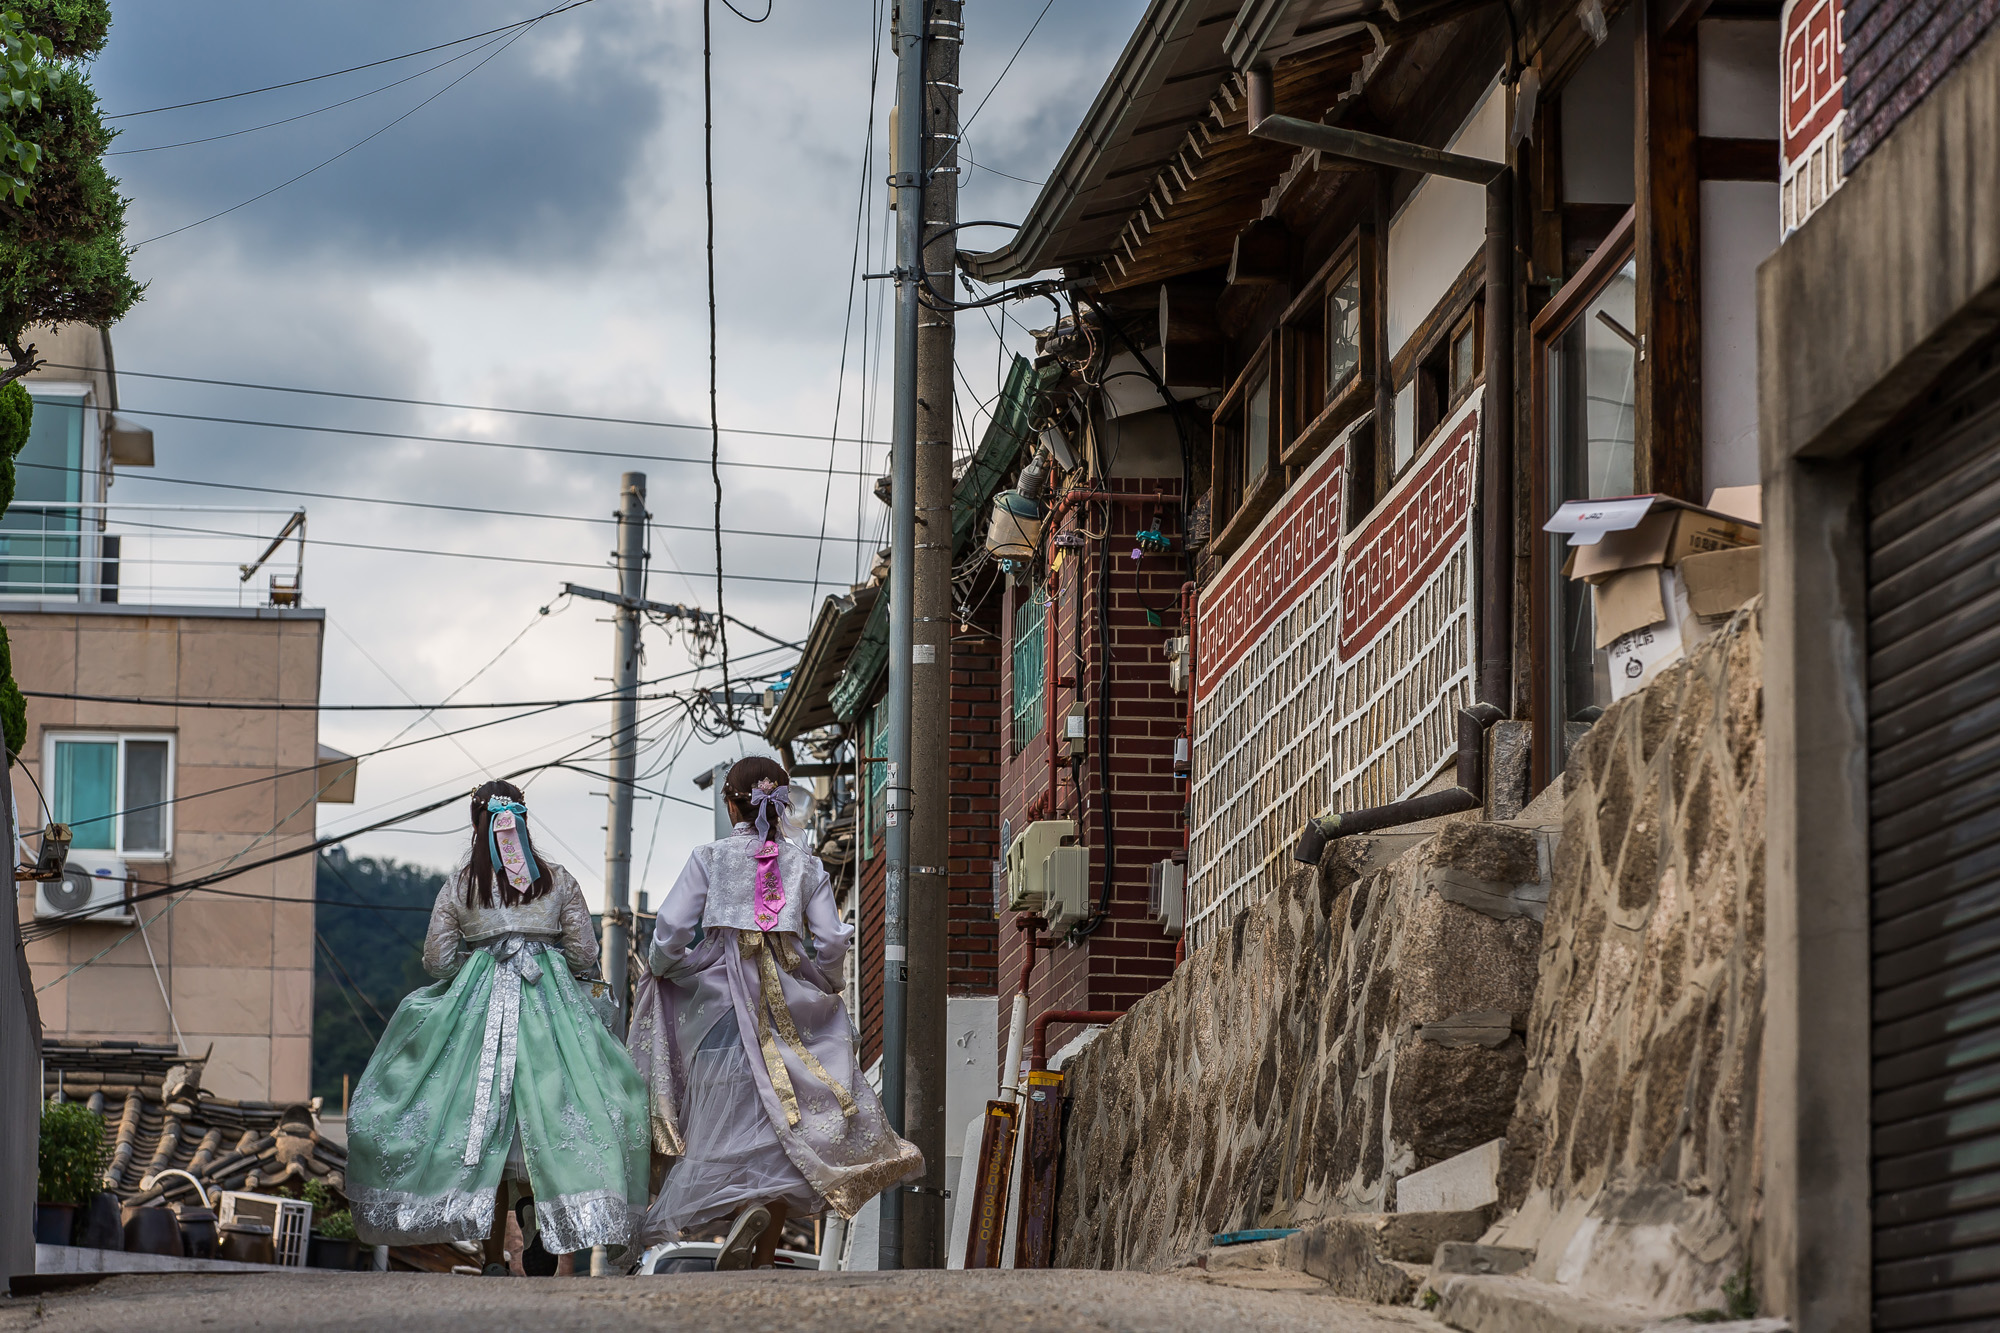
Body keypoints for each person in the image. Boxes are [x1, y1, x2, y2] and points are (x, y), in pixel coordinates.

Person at [628, 755, 921, 1269]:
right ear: (784, 805)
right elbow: (832, 939)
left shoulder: (709, 857)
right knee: (790, 1128)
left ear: (729, 803)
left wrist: (670, 968)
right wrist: (824, 982)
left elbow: (671, 929)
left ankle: (741, 1216)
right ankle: (763, 1256)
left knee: (724, 1122)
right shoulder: (805, 864)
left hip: (720, 1004)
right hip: (789, 1003)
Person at [346, 780, 649, 1273]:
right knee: (554, 1116)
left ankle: (492, 1258)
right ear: (523, 821)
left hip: (478, 1009)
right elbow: (584, 954)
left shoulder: (461, 885)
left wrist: (479, 959)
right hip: (550, 1008)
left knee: (485, 1127)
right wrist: (546, 953)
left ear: (475, 823)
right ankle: (549, 1233)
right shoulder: (558, 880)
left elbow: (438, 960)